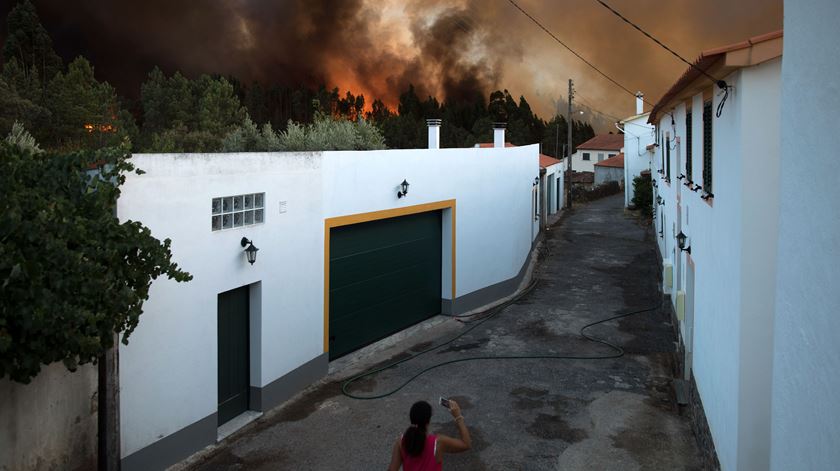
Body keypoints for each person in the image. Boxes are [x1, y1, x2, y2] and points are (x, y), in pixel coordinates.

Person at [387, 400, 472, 471]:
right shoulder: (438, 442)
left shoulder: (401, 442)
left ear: (411, 418)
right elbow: (466, 444)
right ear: (429, 420)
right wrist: (458, 417)